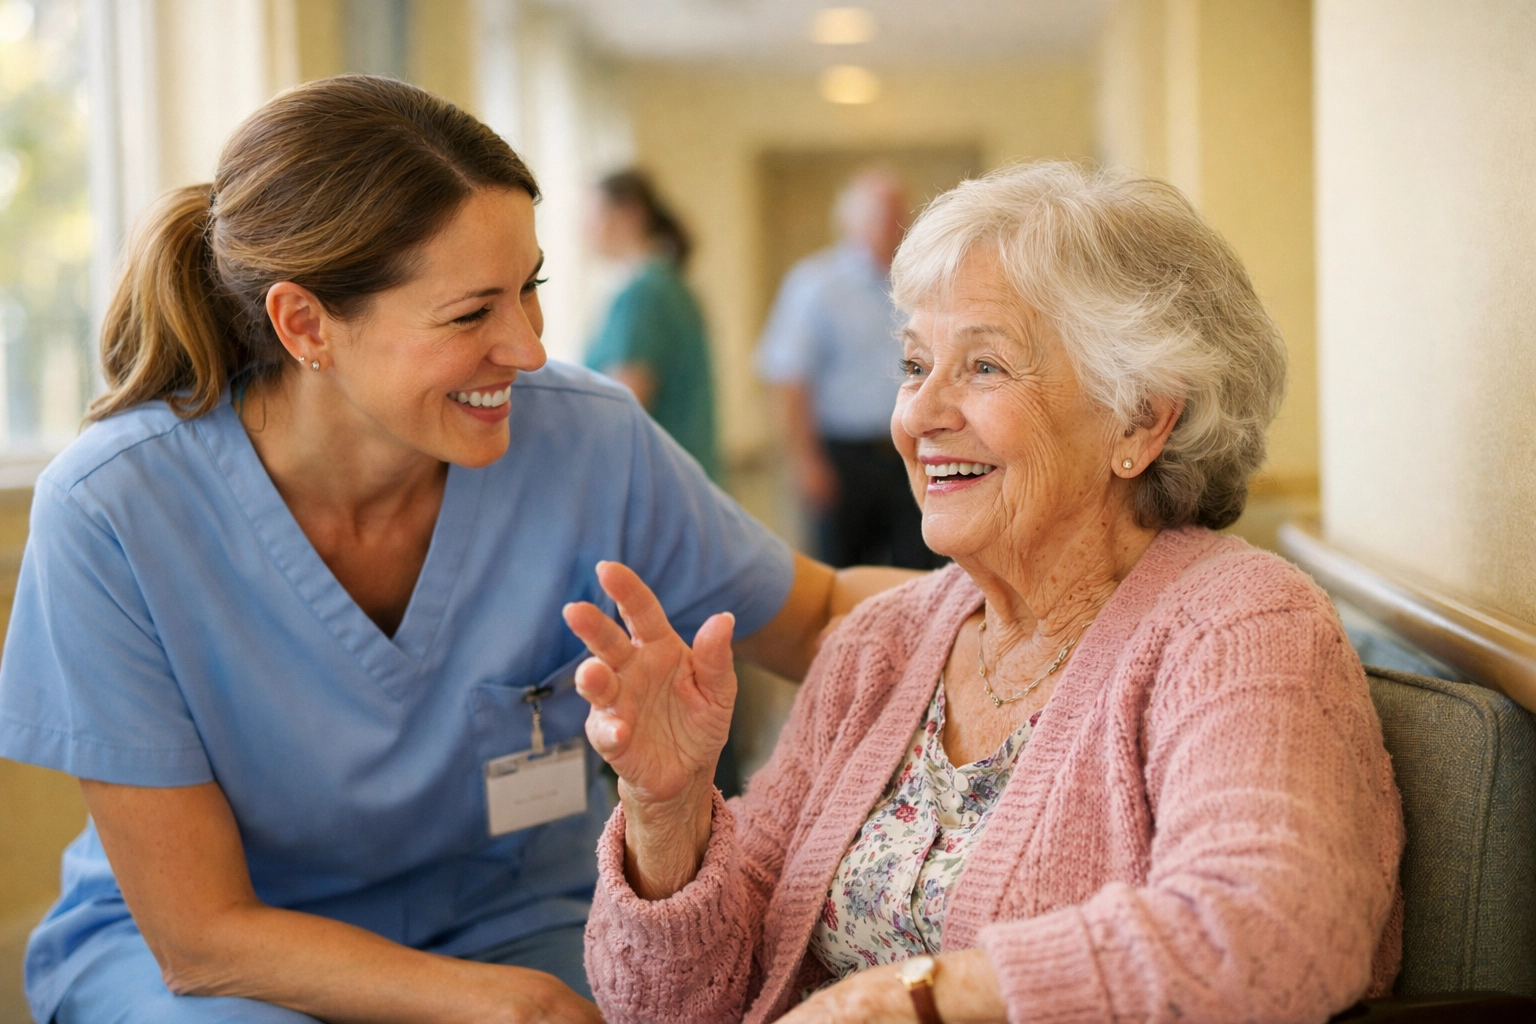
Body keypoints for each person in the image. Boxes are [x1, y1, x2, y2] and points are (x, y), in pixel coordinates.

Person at [0, 76, 907, 1024]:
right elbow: (200, 936)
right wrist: (504, 1006)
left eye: (531, 290)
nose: (525, 348)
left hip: (517, 920)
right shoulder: (113, 510)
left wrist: (1044, 619)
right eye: (472, 314)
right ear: (305, 324)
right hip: (230, 959)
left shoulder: (584, 440)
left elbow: (820, 615)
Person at [568, 162, 1405, 1024]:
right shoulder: (880, 642)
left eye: (984, 367)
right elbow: (662, 1007)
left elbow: (1267, 937)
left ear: (1142, 418)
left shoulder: (1239, 626)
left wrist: (909, 1002)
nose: (918, 414)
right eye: (914, 364)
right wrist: (666, 815)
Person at [757, 170, 939, 569]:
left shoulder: (923, 282)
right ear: (849, 222)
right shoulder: (814, 285)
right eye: (879, 214)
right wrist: (805, 462)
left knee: (921, 568)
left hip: (914, 446)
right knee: (843, 573)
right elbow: (789, 381)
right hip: (842, 455)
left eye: (899, 212)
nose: (893, 224)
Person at [584, 169, 720, 481]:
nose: (585, 230)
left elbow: (621, 403)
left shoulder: (643, 294)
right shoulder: (669, 283)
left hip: (657, 485)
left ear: (629, 214)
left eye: (593, 216)